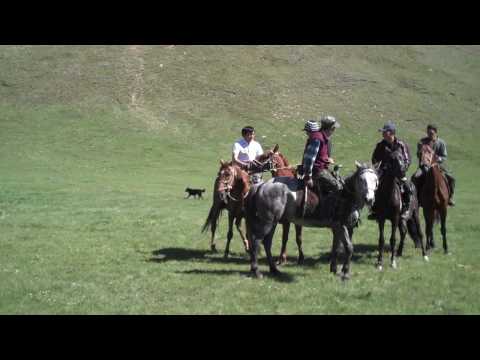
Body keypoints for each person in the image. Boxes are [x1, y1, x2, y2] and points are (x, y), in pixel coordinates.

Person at [368, 121, 412, 220]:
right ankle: (375, 209)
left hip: (399, 173)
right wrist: (379, 168)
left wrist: (402, 169)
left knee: (407, 187)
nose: (383, 134)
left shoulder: (401, 145)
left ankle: (406, 208)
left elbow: (407, 159)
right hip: (384, 172)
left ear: (391, 133)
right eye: (383, 132)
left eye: (385, 132)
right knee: (374, 186)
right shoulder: (380, 145)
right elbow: (374, 159)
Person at [412, 124, 455, 206]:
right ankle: (415, 198)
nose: (429, 135)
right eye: (428, 133)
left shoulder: (441, 143)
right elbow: (418, 154)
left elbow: (444, 156)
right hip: (424, 166)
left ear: (436, 133)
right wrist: (420, 152)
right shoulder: (422, 142)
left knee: (451, 178)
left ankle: (450, 198)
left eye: (431, 133)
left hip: (437, 165)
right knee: (415, 177)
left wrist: (437, 159)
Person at [302, 116, 342, 196]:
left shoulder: (323, 137)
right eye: (334, 128)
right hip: (318, 172)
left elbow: (318, 156)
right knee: (339, 187)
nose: (334, 131)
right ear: (331, 128)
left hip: (322, 169)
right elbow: (309, 159)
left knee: (340, 181)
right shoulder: (317, 138)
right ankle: (326, 208)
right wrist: (308, 177)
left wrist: (327, 159)